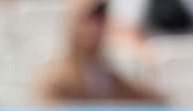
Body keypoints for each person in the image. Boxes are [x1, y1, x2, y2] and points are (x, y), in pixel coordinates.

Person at [38, 0, 166, 102]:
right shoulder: (57, 81)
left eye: (101, 19)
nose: (96, 27)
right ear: (75, 24)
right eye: (90, 19)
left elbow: (149, 101)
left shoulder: (109, 78)